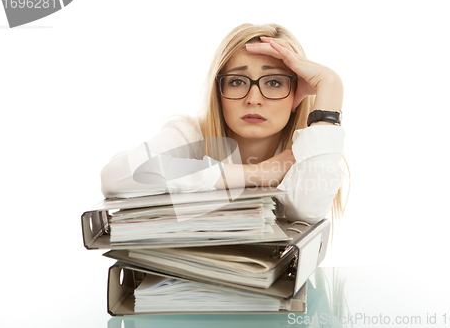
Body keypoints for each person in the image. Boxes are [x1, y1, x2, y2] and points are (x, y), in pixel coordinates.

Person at [101, 23, 346, 225]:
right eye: (237, 81)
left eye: (273, 83)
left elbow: (307, 212)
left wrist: (330, 85)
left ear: (296, 94)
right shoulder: (189, 134)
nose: (253, 100)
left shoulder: (313, 149)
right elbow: (117, 176)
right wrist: (258, 174)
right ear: (219, 92)